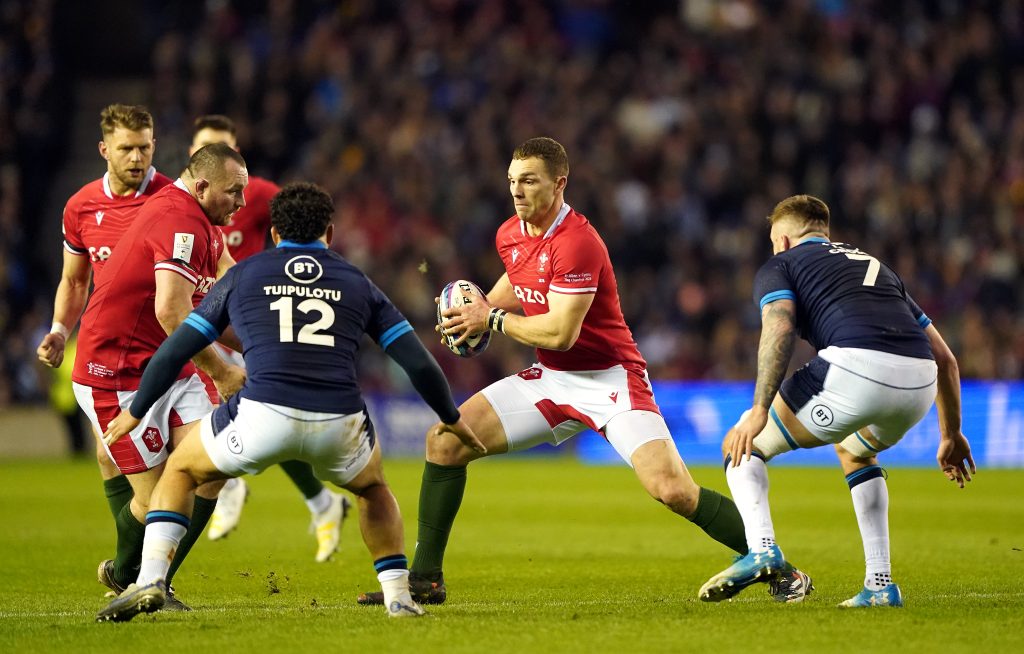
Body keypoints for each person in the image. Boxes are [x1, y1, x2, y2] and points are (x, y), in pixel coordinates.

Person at [358, 137, 811, 607]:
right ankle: (425, 580)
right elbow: (519, 279)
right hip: (552, 379)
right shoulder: (509, 233)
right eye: (512, 181)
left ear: (559, 184)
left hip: (611, 380)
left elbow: (560, 333)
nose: (516, 191)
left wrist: (490, 320)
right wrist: (484, 304)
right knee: (445, 441)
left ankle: (778, 564)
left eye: (529, 181)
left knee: (673, 490)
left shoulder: (578, 242)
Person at [95, 182, 484, 622]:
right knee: (373, 489)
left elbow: (175, 348)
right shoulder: (357, 281)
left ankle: (150, 580)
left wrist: (136, 408)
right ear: (330, 233)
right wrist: (451, 417)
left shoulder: (244, 274)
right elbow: (417, 362)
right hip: (339, 421)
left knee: (182, 470)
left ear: (275, 234)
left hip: (262, 415)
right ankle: (398, 598)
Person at [697, 194, 976, 608]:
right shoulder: (876, 266)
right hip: (919, 383)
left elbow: (779, 325)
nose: (774, 248)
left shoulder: (781, 264)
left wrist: (759, 409)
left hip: (857, 368)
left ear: (786, 239)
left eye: (775, 241)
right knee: (855, 452)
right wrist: (950, 433)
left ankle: (762, 549)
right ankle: (880, 585)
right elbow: (946, 359)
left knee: (741, 445)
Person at [73, 142, 248, 610]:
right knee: (160, 505)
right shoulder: (180, 221)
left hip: (170, 365)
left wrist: (261, 347)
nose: (242, 203)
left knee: (210, 470)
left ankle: (146, 579)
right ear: (204, 185)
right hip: (116, 370)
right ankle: (136, 577)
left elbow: (219, 304)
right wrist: (224, 370)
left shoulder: (204, 223)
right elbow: (172, 310)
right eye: (235, 192)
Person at [189, 115, 350, 559]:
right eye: (206, 147)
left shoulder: (258, 193)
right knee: (267, 421)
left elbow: (299, 226)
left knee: (255, 414)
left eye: (225, 145)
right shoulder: (181, 203)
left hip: (242, 321)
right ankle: (320, 502)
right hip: (199, 316)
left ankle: (228, 483)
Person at [35, 103, 172, 581]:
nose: (137, 157)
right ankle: (137, 575)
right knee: (131, 473)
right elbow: (74, 282)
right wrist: (57, 329)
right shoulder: (80, 207)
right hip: (106, 364)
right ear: (104, 150)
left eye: (145, 146)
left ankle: (131, 573)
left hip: (169, 362)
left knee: (184, 479)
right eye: (126, 149)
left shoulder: (172, 201)